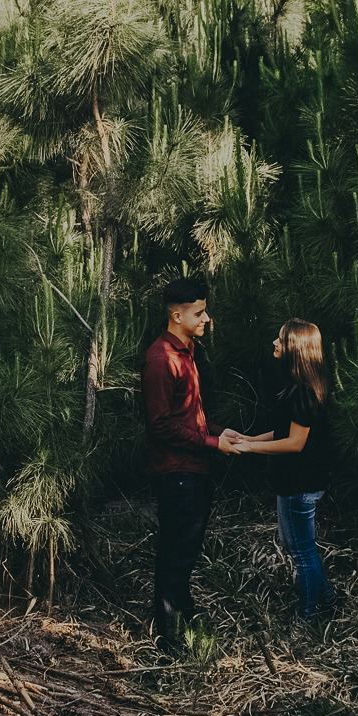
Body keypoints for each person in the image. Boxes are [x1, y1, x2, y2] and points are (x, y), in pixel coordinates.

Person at [142, 278, 241, 648]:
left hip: (193, 471)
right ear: (177, 316)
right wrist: (213, 443)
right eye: (199, 313)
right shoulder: (160, 359)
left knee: (184, 556)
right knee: (175, 558)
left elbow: (188, 417)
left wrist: (219, 431)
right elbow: (161, 425)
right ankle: (170, 643)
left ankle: (184, 630)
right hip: (177, 474)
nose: (206, 318)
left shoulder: (187, 352)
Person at [232, 319, 337, 624]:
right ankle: (327, 599)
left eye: (280, 339)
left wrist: (250, 449)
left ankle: (308, 616)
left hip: (299, 485)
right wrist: (250, 439)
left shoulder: (304, 392)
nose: (274, 343)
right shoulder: (300, 388)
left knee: (302, 553)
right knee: (299, 548)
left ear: (295, 348)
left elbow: (294, 443)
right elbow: (283, 433)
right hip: (297, 482)